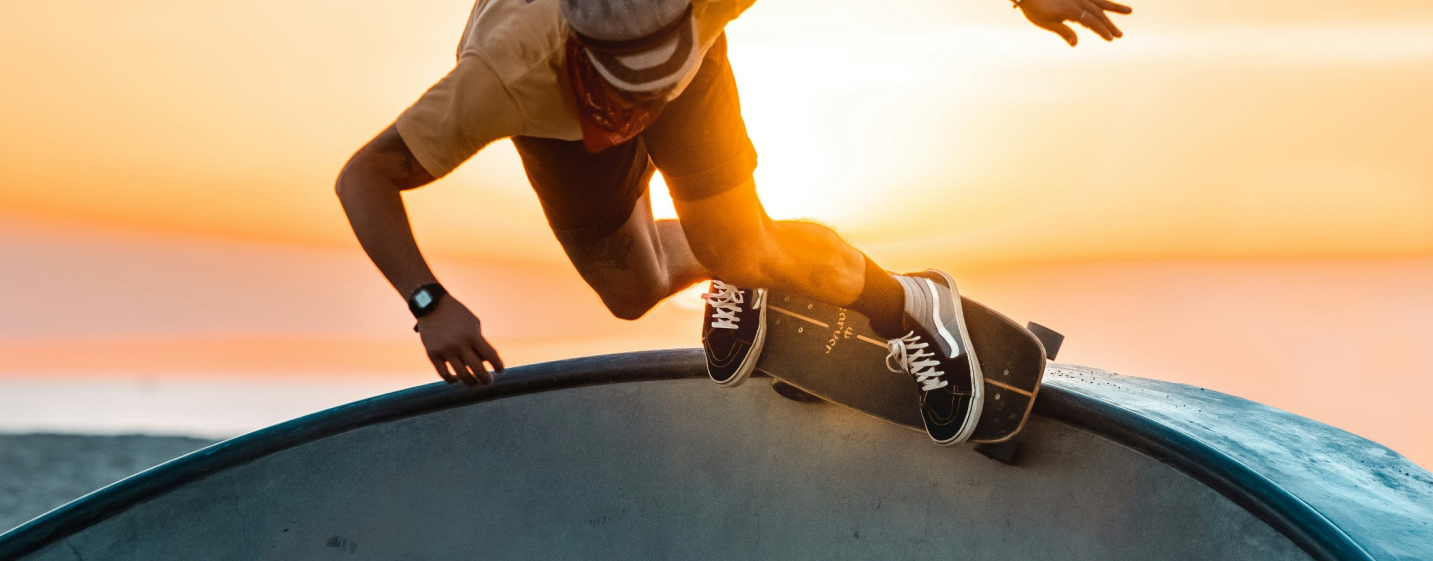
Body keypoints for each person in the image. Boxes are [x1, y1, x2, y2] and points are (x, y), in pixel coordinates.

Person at [336, 0, 1132, 445]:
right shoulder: (500, 76)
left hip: (691, 69)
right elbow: (363, 177)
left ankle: (911, 308)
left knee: (743, 246)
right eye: (616, 96)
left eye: (643, 97)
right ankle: (738, 262)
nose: (629, 118)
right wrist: (428, 303)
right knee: (630, 286)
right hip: (550, 119)